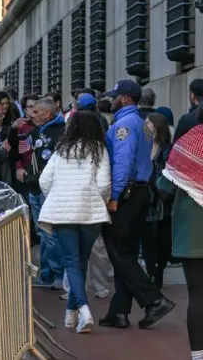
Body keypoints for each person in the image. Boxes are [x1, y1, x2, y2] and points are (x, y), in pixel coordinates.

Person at [100, 80, 175, 329]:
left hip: (128, 194)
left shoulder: (124, 125)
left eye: (115, 96)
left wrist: (115, 197)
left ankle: (154, 301)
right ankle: (119, 311)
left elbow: (122, 163)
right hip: (140, 192)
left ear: (125, 98)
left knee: (119, 250)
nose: (111, 100)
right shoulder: (141, 124)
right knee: (127, 252)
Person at [37, 111, 111, 334]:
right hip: (90, 213)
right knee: (81, 261)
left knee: (72, 262)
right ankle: (75, 314)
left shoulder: (61, 151)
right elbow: (104, 185)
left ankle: (80, 311)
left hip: (62, 213)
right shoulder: (100, 151)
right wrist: (99, 201)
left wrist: (57, 196)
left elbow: (44, 180)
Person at [157, 119, 203, 359]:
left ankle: (198, 355)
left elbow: (164, 188)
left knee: (197, 297)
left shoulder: (189, 142)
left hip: (192, 232)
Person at [23, 98, 66, 289]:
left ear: (47, 114)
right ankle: (46, 273)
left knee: (51, 234)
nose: (33, 114)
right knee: (42, 233)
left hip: (50, 191)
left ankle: (57, 274)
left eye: (37, 112)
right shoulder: (36, 131)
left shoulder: (61, 132)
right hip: (35, 188)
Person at [140, 112, 173, 290]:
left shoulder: (168, 148)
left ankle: (158, 270)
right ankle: (153, 273)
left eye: (148, 123)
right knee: (148, 240)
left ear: (157, 126)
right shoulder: (142, 145)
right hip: (146, 200)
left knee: (163, 242)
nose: (145, 126)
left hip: (163, 200)